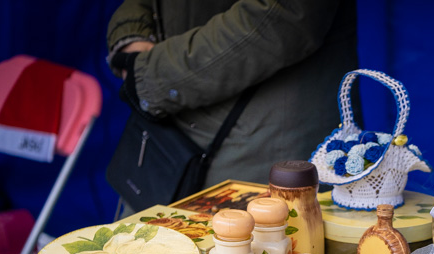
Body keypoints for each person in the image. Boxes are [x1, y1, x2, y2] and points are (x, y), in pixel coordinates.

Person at [106, 0, 358, 190]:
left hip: (260, 133)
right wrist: (132, 36)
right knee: (145, 249)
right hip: (168, 119)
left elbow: (287, 13)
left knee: (261, 252)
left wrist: (153, 74)